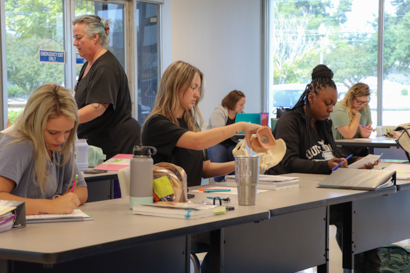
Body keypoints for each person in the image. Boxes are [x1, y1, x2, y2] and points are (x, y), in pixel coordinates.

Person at [266, 65, 380, 273]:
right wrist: (326, 166)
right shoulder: (289, 122)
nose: (330, 109)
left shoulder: (324, 124)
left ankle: (367, 269)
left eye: (333, 104)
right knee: (354, 213)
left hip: (323, 190)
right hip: (294, 195)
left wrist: (359, 161)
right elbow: (288, 162)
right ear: (311, 98)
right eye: (327, 103)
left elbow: (334, 155)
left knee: (365, 212)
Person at [142, 60, 261, 187]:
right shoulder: (157, 124)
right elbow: (197, 142)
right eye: (193, 88)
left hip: (190, 200)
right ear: (175, 86)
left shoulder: (190, 123)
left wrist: (244, 164)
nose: (197, 94)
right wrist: (241, 126)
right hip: (166, 203)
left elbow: (205, 168)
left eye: (198, 89)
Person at [0, 83, 88, 215]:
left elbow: (80, 189)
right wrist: (51, 206)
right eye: (52, 132)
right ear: (34, 123)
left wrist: (64, 201)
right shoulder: (18, 145)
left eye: (67, 131)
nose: (61, 139)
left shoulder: (58, 144)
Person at [72, 15, 141, 160]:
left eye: (79, 38)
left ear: (95, 37)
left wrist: (66, 119)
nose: (74, 43)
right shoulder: (89, 64)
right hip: (97, 141)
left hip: (113, 143)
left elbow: (97, 107)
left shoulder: (106, 67)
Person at [206, 90, 246, 182]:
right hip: (216, 142)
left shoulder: (242, 114)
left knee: (237, 154)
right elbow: (219, 133)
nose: (243, 107)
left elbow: (242, 132)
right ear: (232, 103)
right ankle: (219, 182)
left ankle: (234, 182)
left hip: (232, 142)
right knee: (219, 153)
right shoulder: (219, 112)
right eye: (241, 104)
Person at [330, 82, 373, 156]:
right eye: (359, 102)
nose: (361, 105)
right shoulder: (338, 107)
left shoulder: (365, 107)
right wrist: (357, 115)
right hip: (341, 149)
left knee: (371, 159)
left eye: (365, 102)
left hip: (360, 147)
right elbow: (348, 135)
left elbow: (366, 128)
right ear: (351, 97)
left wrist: (365, 135)